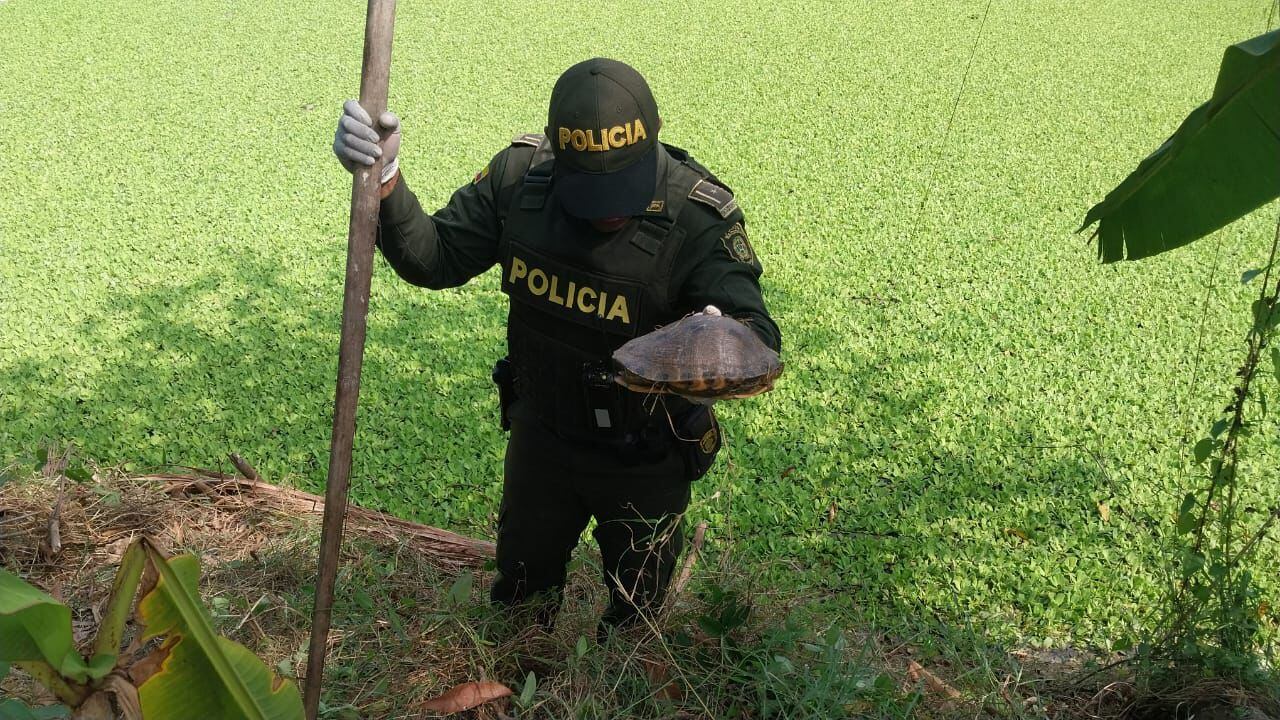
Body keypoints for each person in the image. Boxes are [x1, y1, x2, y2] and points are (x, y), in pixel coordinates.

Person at [332, 58, 781, 637]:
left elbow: (758, 336)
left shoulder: (697, 217)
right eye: (591, 193)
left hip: (645, 452)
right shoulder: (522, 181)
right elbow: (434, 257)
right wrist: (384, 177)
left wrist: (720, 338)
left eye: (622, 188)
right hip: (542, 438)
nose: (608, 211)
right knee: (519, 597)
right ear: (558, 156)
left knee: (637, 615)